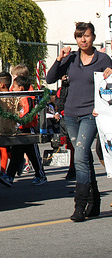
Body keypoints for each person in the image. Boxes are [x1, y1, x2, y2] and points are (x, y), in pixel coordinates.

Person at [46, 21, 112, 221]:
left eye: (87, 35)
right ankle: (95, 202)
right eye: (79, 36)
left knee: (80, 156)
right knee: (83, 159)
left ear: (93, 37)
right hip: (71, 115)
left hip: (91, 115)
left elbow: (109, 86)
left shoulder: (103, 59)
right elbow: (50, 79)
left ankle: (80, 206)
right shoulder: (72, 58)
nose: (83, 40)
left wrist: (110, 72)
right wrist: (59, 59)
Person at [0, 76, 47, 187]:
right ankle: (10, 176)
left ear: (21, 88)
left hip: (28, 129)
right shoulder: (17, 99)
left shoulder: (27, 98)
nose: (12, 89)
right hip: (19, 130)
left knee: (33, 154)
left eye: (14, 87)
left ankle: (41, 174)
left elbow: (27, 114)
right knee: (16, 154)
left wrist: (18, 120)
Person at [0, 71, 12, 179]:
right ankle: (17, 161)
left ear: (2, 85)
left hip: (7, 127)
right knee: (5, 149)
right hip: (0, 126)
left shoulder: (8, 98)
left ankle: (3, 170)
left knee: (3, 147)